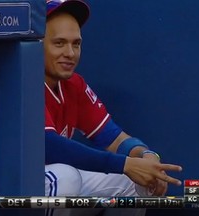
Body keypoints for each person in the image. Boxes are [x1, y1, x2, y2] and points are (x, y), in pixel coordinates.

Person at [44, 0, 182, 215]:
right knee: (64, 177)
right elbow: (49, 146)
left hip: (42, 181)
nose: (70, 53)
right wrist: (125, 164)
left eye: (76, 44)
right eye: (59, 43)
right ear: (36, 43)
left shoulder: (73, 84)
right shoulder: (18, 80)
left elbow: (114, 139)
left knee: (133, 181)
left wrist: (146, 156)